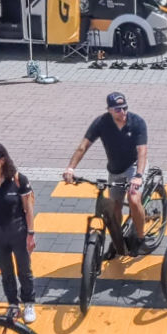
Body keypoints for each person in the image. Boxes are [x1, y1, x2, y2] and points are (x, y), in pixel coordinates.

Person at [63, 92, 149, 254]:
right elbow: (83, 146)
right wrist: (70, 168)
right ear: (109, 110)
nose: (122, 112)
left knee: (133, 198)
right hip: (115, 169)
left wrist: (138, 176)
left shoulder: (137, 122)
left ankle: (140, 237)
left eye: (124, 108)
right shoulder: (101, 123)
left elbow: (142, 152)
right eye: (117, 109)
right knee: (114, 208)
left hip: (134, 166)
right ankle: (118, 240)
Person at [0, 141, 38, 323]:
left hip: (18, 230)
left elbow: (28, 208)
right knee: (6, 271)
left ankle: (28, 302)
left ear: (2, 160)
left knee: (24, 269)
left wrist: (31, 234)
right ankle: (13, 303)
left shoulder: (18, 180)